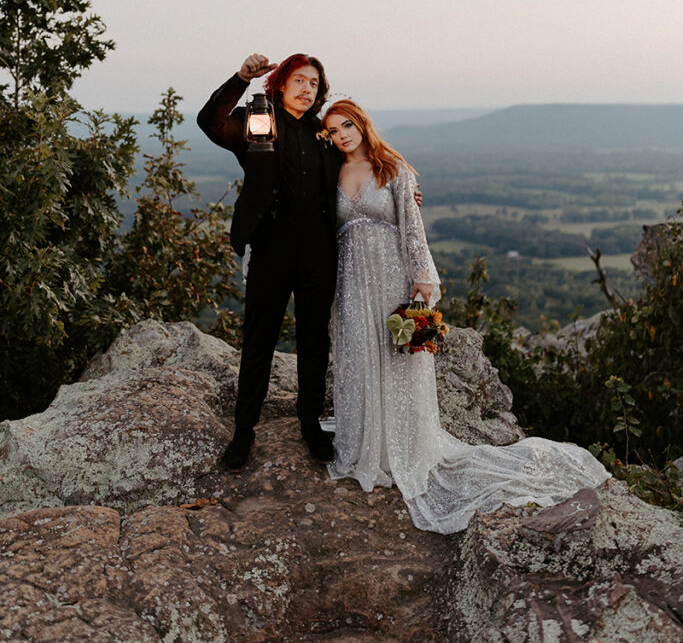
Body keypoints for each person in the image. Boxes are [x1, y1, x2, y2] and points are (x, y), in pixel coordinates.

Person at [322, 99, 610, 534]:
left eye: (347, 125)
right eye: (333, 130)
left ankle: (403, 445)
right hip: (351, 283)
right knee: (359, 358)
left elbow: (412, 227)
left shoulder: (393, 169)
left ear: (362, 125)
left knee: (399, 355)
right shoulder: (331, 174)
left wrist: (421, 277)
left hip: (392, 277)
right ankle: (367, 443)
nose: (342, 135)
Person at [197, 53, 343, 468]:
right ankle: (244, 431)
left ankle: (310, 424)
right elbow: (210, 122)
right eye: (299, 80)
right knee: (259, 340)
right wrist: (241, 78)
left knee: (315, 340)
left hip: (318, 251)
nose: (306, 89)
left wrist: (402, 192)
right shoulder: (258, 119)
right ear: (280, 83)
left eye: (314, 83)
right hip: (271, 247)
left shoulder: (324, 134)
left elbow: (362, 169)